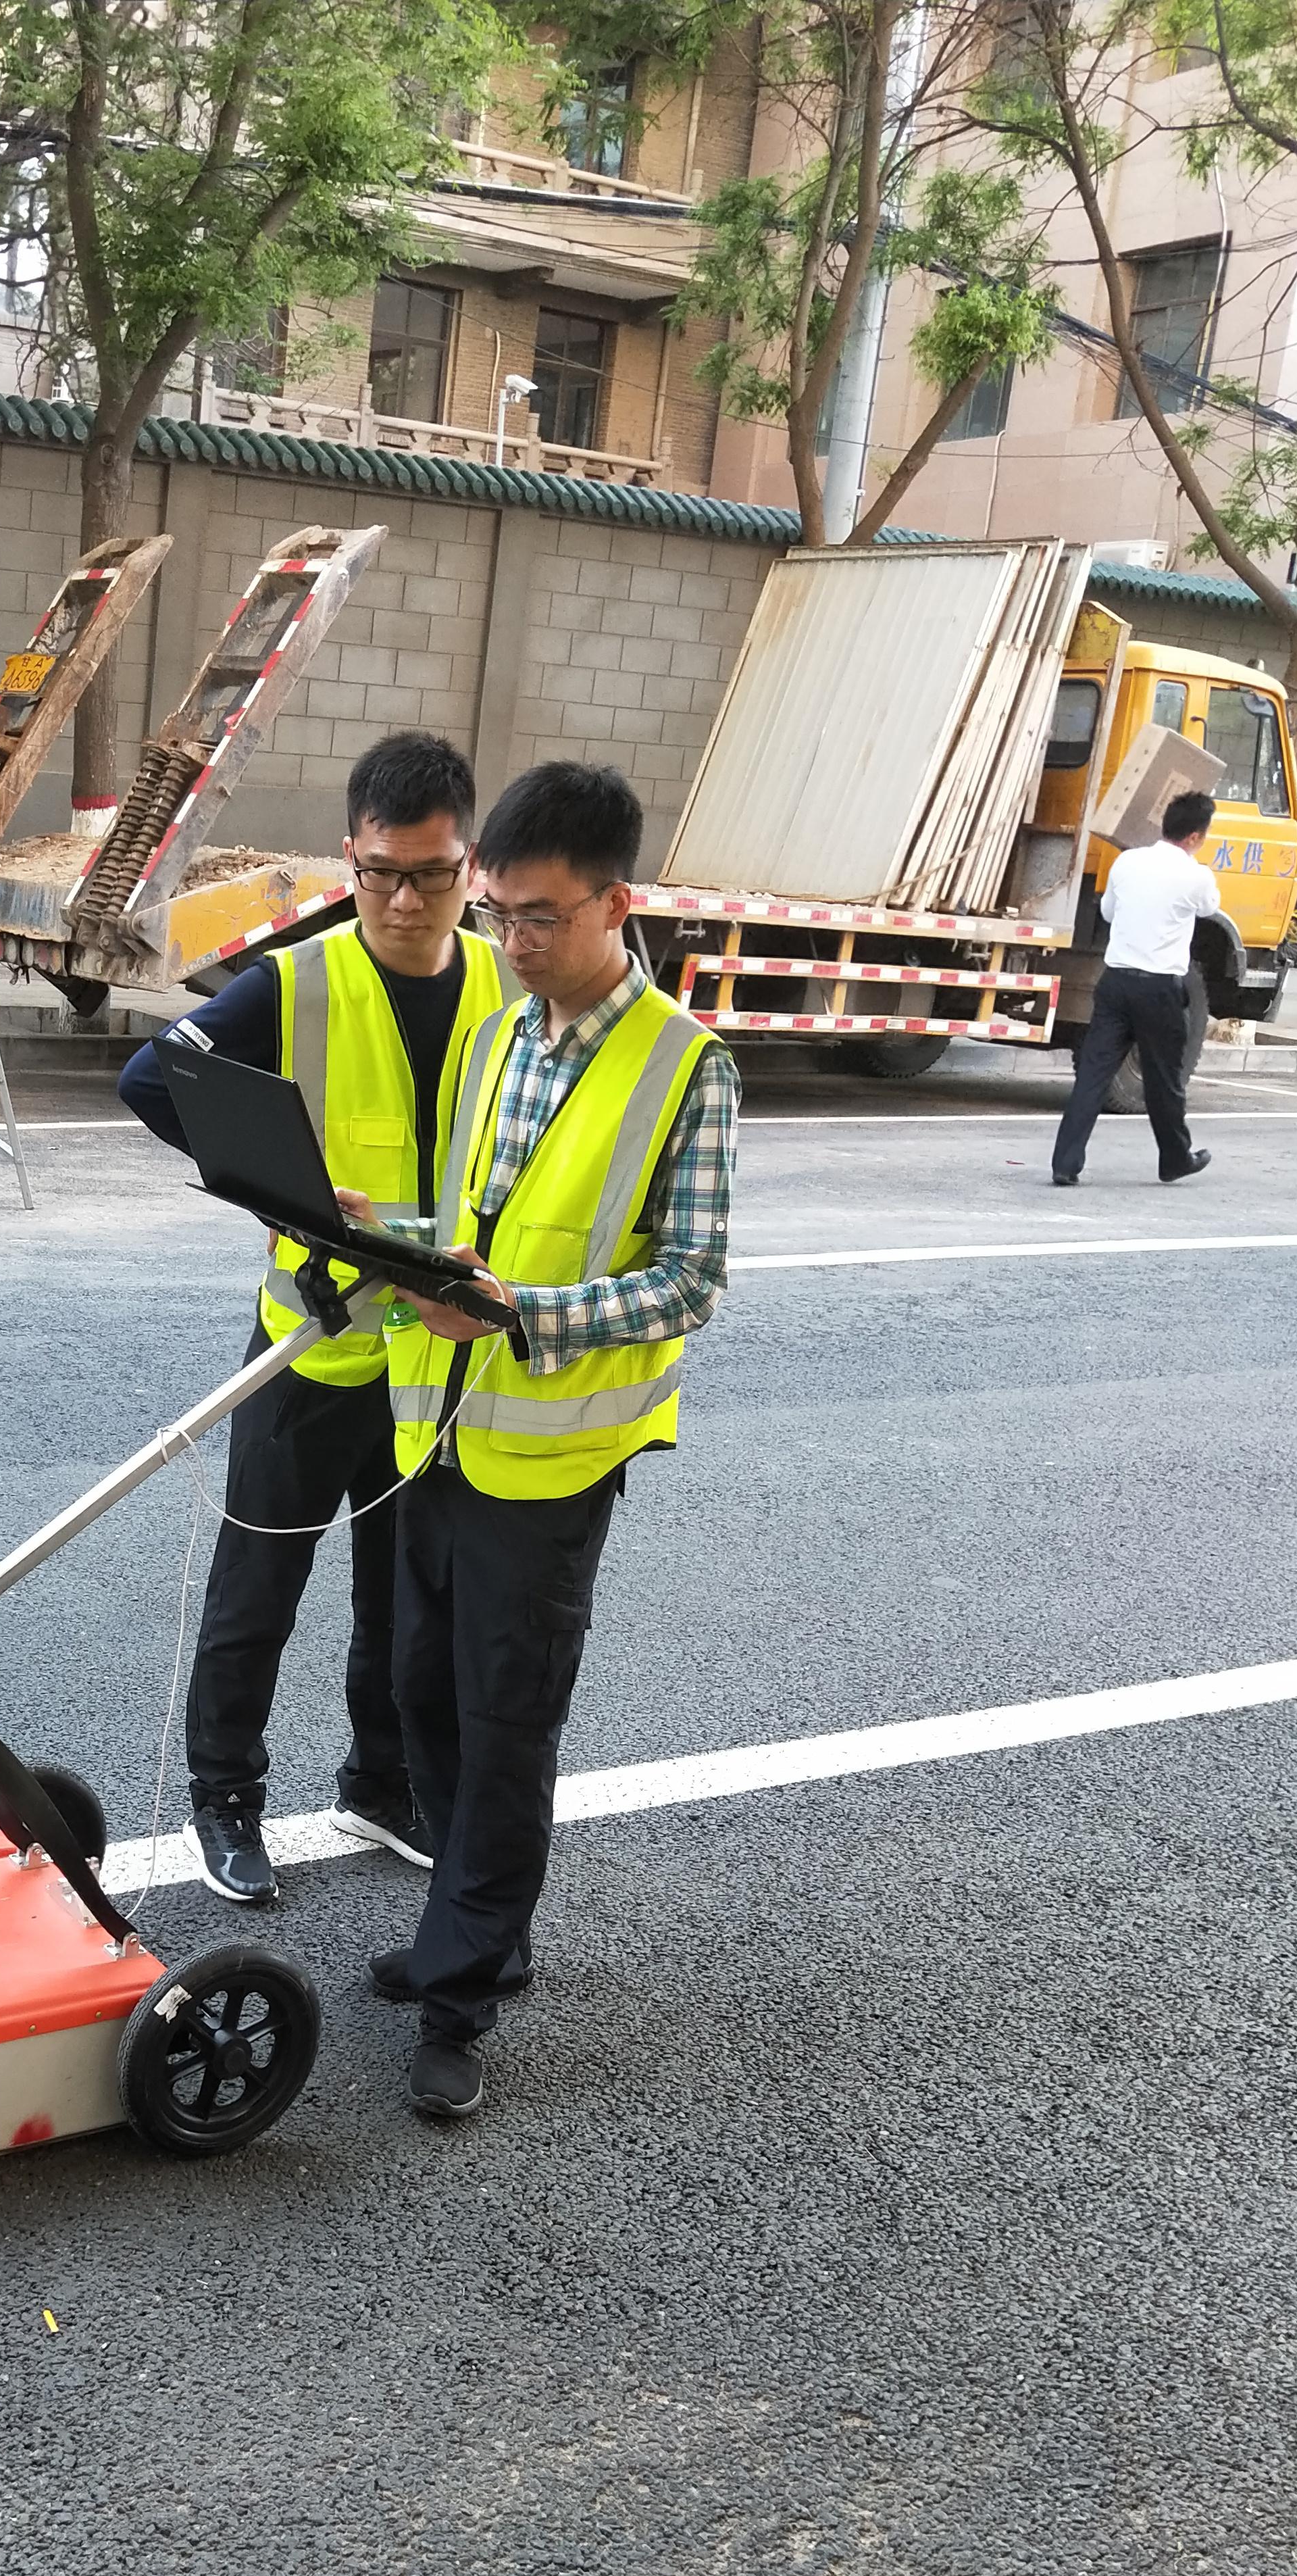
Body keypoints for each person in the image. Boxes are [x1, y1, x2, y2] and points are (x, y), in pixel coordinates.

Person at [364, 760, 738, 2121]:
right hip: (440, 1429)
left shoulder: (687, 1067)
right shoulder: (499, 1031)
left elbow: (688, 1281)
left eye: (536, 916)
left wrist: (521, 1316)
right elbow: (477, 1213)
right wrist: (387, 1233)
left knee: (505, 1722)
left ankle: (463, 1993)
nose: (509, 942)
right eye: (497, 913)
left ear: (616, 904)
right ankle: (482, 1932)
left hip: (552, 1453)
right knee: (423, 1699)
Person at [119, 730, 505, 1904]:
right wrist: (277, 1186)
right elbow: (151, 1079)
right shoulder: (297, 978)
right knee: (256, 1594)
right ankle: (224, 1798)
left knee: (402, 1603)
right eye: (379, 871)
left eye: (429, 874)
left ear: (468, 864)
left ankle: (379, 1783)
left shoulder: (498, 984)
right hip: (311, 1346)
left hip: (427, 1364)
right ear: (350, 855)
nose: (400, 898)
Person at [1050, 792, 1217, 1188]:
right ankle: (1174, 1159)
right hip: (1159, 989)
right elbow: (1210, 909)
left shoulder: (1128, 862)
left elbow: (1108, 911)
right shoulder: (1196, 875)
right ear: (1194, 837)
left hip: (1115, 983)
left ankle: (1066, 1162)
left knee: (1093, 1075)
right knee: (1164, 1080)